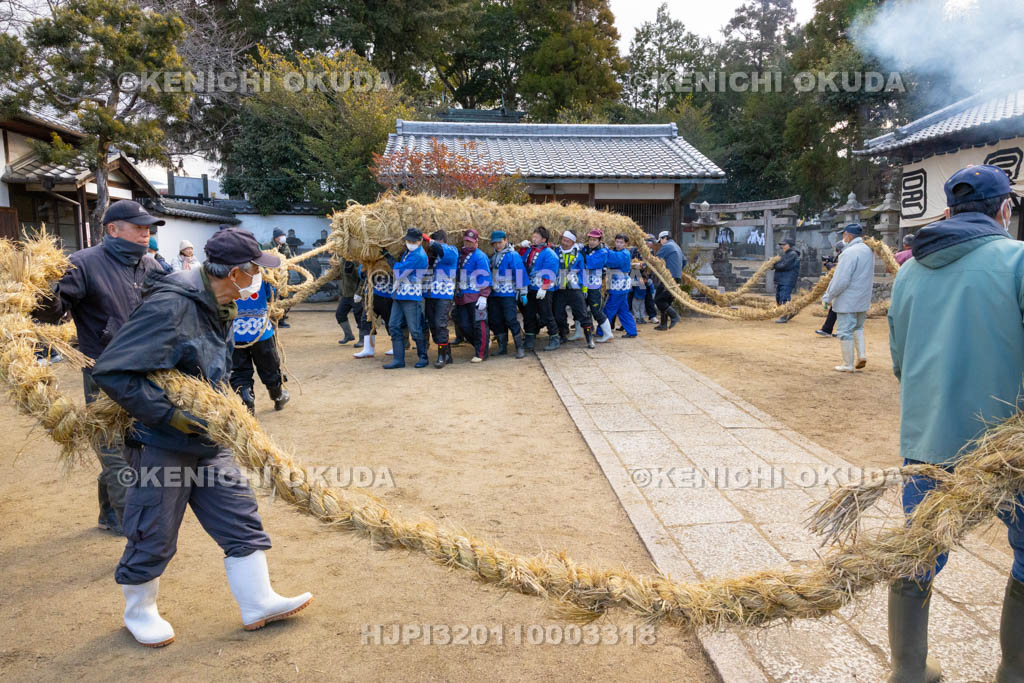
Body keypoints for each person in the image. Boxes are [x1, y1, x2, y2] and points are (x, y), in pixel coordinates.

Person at [91, 227, 312, 647]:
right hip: (162, 442)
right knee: (152, 528)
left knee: (239, 515)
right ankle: (140, 612)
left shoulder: (217, 303)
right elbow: (113, 370)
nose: (259, 278)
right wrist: (170, 416)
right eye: (255, 271)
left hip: (207, 438)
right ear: (234, 273)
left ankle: (258, 600)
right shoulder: (172, 306)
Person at [887, 164, 1023, 683]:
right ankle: (1013, 671)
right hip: (1011, 446)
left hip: (928, 438)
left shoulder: (908, 272)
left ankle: (908, 670)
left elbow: (900, 361)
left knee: (917, 551)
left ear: (949, 209)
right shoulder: (1018, 260)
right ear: (1004, 209)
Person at [32, 199, 164, 535]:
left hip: (146, 371)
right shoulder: (83, 264)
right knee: (113, 448)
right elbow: (52, 311)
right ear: (113, 229)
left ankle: (109, 512)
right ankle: (131, 525)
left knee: (136, 445)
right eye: (138, 227)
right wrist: (43, 292)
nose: (145, 233)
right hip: (102, 373)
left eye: (148, 228)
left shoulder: (152, 266)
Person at [230, 270, 289, 414]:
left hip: (234, 331)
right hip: (260, 330)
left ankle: (247, 400)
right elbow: (271, 295)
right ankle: (277, 396)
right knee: (269, 365)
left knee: (239, 369)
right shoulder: (263, 275)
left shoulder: (227, 275)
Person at [822, 224, 874, 372]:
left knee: (845, 331)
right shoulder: (868, 250)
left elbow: (841, 279)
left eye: (843, 234)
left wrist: (828, 296)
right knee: (858, 327)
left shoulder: (849, 252)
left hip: (848, 298)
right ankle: (862, 355)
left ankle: (848, 364)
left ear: (848, 235)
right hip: (863, 297)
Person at [382, 228, 429, 369]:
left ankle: (423, 357)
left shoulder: (419, 255)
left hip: (411, 295)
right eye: (408, 240)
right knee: (393, 325)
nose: (410, 243)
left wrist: (389, 258)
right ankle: (398, 359)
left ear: (420, 241)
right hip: (400, 294)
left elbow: (400, 270)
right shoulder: (409, 252)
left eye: (413, 241)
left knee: (415, 329)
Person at [453, 229, 493, 363]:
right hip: (462, 296)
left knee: (480, 324)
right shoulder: (459, 254)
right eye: (466, 241)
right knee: (463, 325)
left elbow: (485, 276)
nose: (468, 243)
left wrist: (484, 295)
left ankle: (481, 353)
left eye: (470, 241)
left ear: (476, 242)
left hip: (477, 296)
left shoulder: (480, 256)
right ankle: (482, 344)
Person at [488, 230, 528, 358]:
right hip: (495, 293)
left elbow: (520, 272)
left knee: (511, 319)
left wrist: (523, 292)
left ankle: (519, 347)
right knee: (495, 320)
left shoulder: (513, 255)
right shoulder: (493, 256)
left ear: (505, 240)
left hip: (508, 292)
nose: (498, 245)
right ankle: (502, 346)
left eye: (500, 242)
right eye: (495, 243)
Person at [423, 230, 458, 367]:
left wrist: (428, 240)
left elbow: (441, 250)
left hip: (444, 295)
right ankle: (447, 353)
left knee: (440, 323)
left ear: (443, 240)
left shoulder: (452, 250)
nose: (433, 245)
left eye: (436, 242)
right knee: (433, 325)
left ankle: (441, 357)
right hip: (429, 294)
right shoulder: (432, 254)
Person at [553, 230, 594, 349]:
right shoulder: (556, 251)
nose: (564, 243)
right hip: (560, 287)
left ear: (573, 242)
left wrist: (584, 288)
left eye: (568, 241)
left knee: (582, 314)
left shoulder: (579, 255)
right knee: (558, 314)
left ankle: (589, 339)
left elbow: (583, 272)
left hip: (574, 287)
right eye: (563, 240)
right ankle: (563, 334)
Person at [523, 226, 560, 351]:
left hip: (544, 288)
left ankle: (554, 338)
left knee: (546, 313)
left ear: (543, 239)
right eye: (532, 237)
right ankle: (529, 337)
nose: (533, 239)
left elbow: (550, 271)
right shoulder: (530, 250)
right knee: (529, 313)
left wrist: (544, 287)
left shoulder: (549, 253)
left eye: (536, 237)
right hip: (531, 287)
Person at [353, 264, 392, 359]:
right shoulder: (368, 258)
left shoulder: (390, 256)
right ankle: (368, 349)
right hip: (370, 294)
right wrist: (364, 269)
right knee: (366, 320)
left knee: (390, 321)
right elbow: (361, 273)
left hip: (386, 294)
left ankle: (396, 346)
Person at [580, 229, 613, 343]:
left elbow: (590, 263)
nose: (592, 242)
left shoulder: (603, 252)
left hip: (594, 286)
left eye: (594, 240)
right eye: (590, 239)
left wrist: (582, 256)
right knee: (581, 309)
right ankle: (579, 333)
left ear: (600, 241)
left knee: (596, 310)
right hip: (584, 284)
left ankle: (608, 334)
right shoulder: (586, 249)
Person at [603, 234, 636, 338]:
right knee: (623, 309)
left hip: (619, 285)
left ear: (626, 244)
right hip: (619, 284)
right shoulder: (619, 252)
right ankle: (631, 331)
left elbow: (613, 260)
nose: (618, 244)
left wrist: (604, 250)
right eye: (617, 241)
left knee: (609, 308)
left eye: (621, 242)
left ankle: (602, 331)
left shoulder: (624, 253)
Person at [653, 230, 684, 330]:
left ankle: (674, 316)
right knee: (666, 301)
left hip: (668, 278)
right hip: (677, 277)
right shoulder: (677, 247)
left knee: (658, 300)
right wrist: (677, 270)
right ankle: (663, 324)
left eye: (660, 240)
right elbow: (685, 262)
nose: (660, 243)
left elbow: (655, 260)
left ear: (664, 238)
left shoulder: (667, 246)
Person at [815, 241, 844, 338]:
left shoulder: (846, 256)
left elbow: (837, 270)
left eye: (836, 250)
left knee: (840, 310)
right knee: (836, 309)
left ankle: (833, 330)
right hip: (843, 289)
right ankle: (829, 329)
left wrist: (828, 264)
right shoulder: (843, 256)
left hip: (844, 289)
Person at [772, 236, 801, 323]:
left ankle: (784, 316)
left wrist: (773, 265)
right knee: (778, 297)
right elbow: (780, 264)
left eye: (784, 244)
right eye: (782, 244)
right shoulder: (785, 254)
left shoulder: (793, 254)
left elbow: (784, 265)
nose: (782, 246)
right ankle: (792, 311)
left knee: (784, 297)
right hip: (782, 279)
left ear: (790, 245)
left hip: (788, 279)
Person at [334, 260, 362, 345]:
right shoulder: (342, 260)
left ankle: (363, 339)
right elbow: (341, 275)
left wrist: (359, 293)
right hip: (346, 294)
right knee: (340, 314)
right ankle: (348, 335)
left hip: (356, 294)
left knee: (360, 317)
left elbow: (363, 278)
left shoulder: (358, 260)